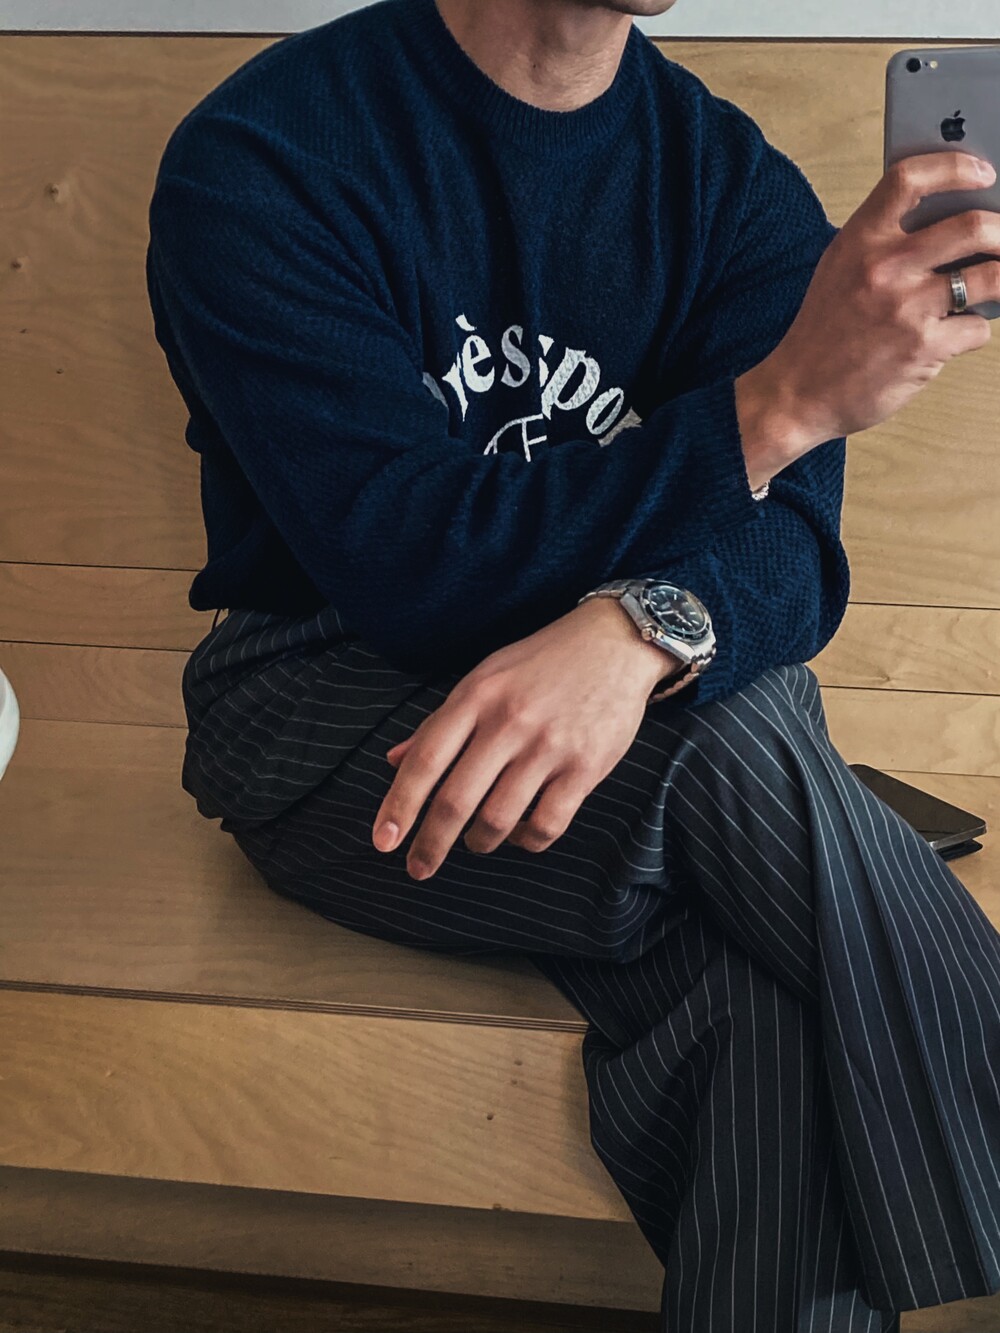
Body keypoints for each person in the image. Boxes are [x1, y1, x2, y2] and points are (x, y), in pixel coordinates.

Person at [145, 1, 1000, 1327]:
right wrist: (775, 406)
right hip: (325, 708)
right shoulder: (266, 152)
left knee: (764, 1002)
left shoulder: (730, 185)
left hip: (636, 725)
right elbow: (404, 558)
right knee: (738, 732)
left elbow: (791, 557)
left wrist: (636, 631)